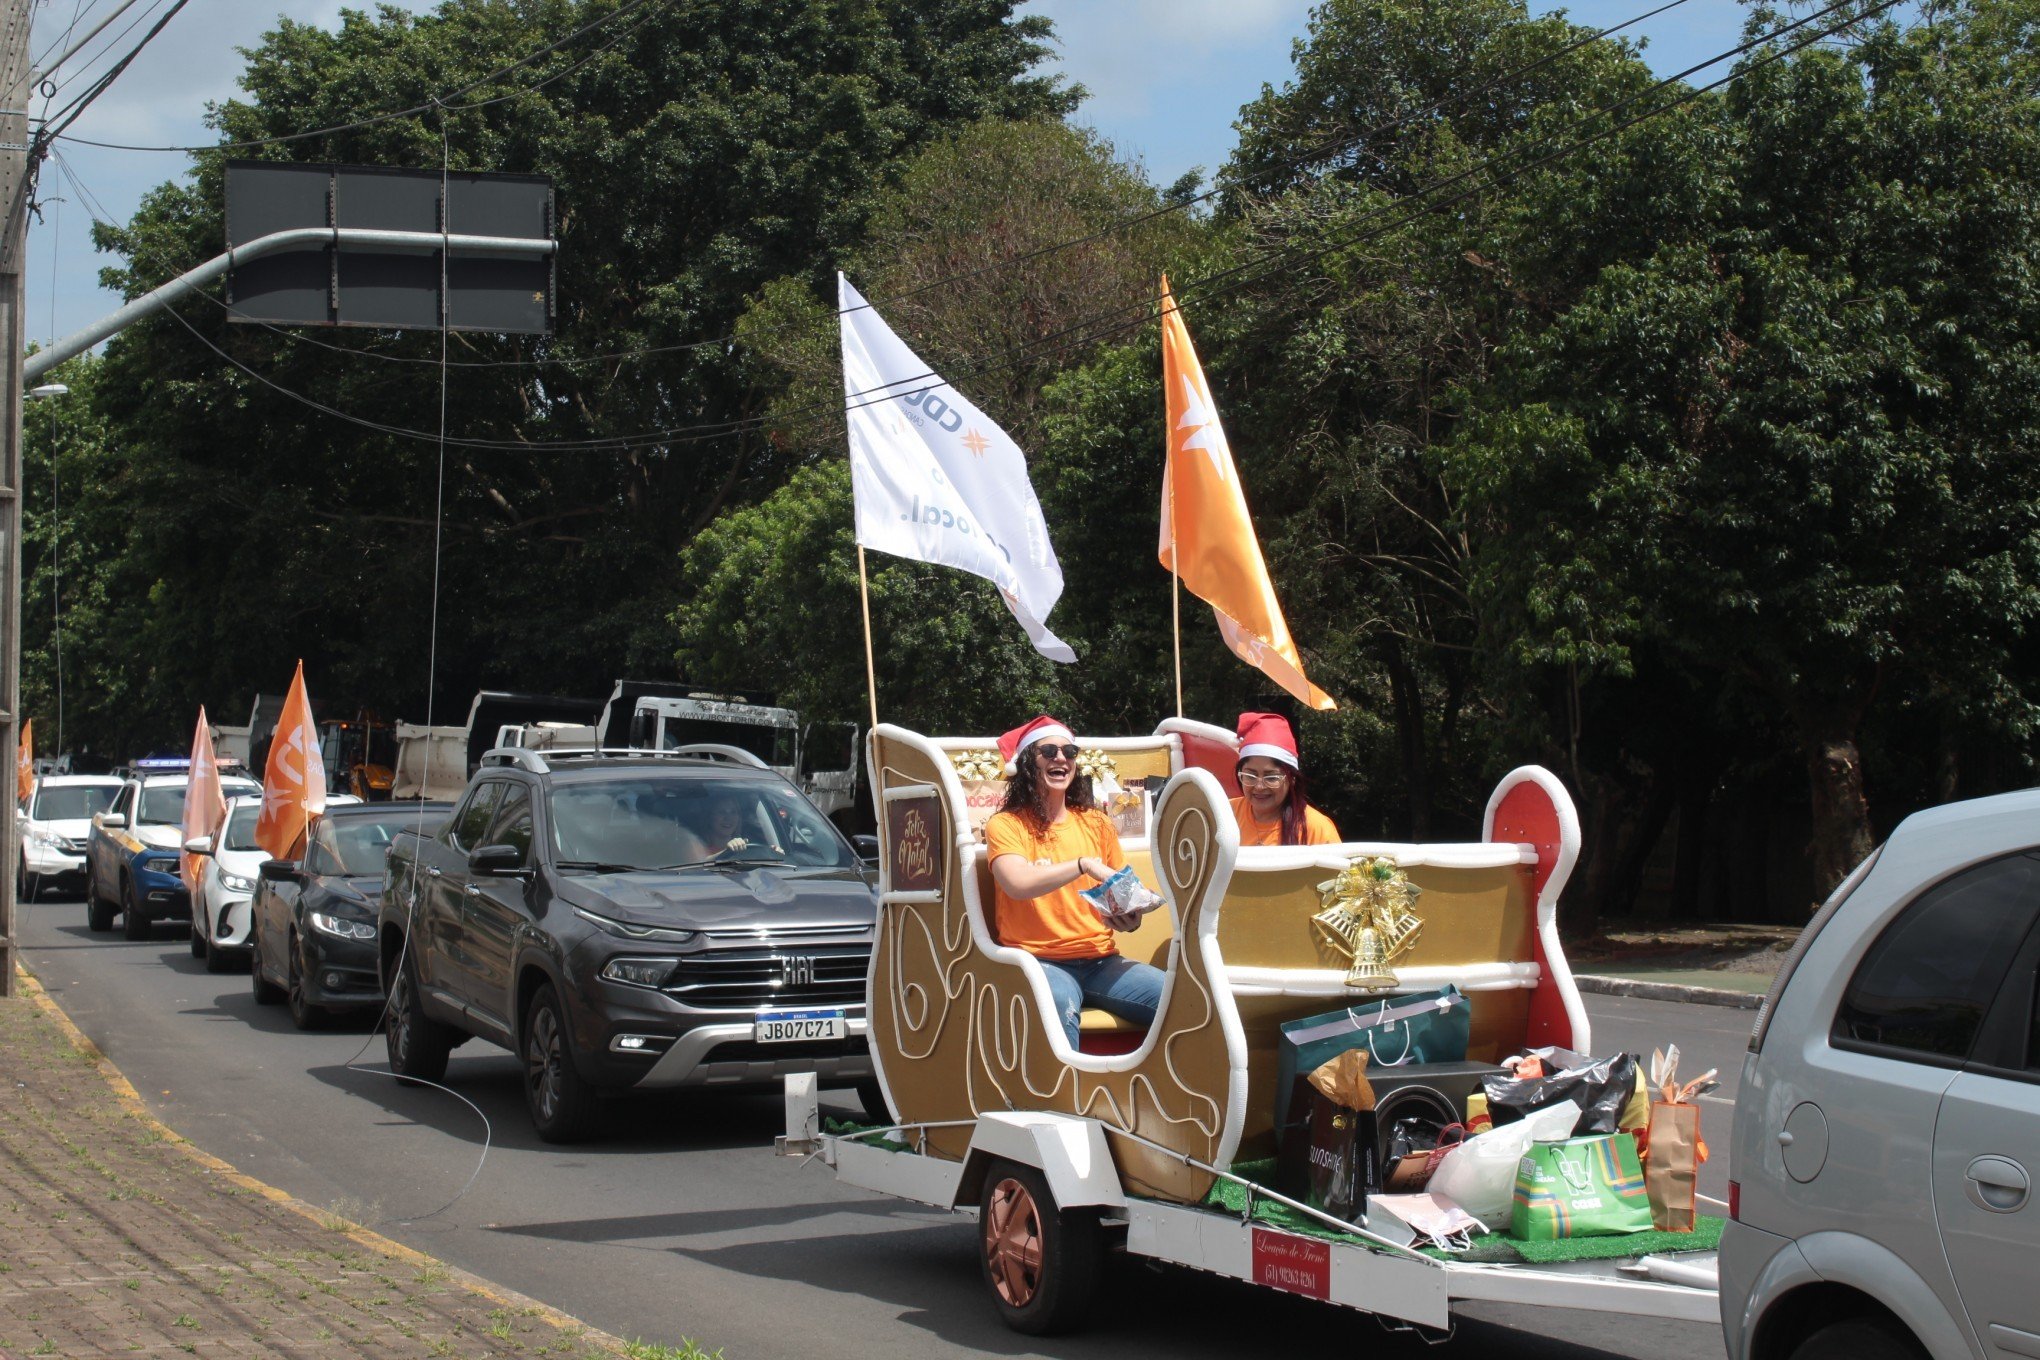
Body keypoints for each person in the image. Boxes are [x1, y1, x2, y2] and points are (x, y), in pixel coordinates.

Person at [984, 715, 1164, 1049]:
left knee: (1182, 999)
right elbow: (1017, 884)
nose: (1061, 758)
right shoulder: (1006, 824)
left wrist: (1131, 918)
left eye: (1070, 751)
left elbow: (1123, 893)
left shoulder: (1097, 822)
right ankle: (1065, 1101)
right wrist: (1083, 865)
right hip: (1037, 961)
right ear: (1026, 764)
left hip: (1101, 960)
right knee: (1057, 1005)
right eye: (1049, 751)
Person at [1230, 711, 1340, 846]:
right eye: (1250, 776)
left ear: (1292, 778)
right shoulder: (1224, 815)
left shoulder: (1318, 829)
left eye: (1271, 777)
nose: (1259, 786)